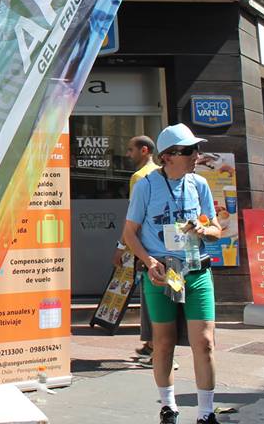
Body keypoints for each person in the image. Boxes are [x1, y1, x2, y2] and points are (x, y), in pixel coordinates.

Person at [122, 123, 222, 424]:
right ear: (168, 156)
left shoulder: (199, 184)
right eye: (190, 150)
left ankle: (206, 413)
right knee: (163, 342)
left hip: (196, 270)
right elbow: (130, 233)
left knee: (204, 342)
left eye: (196, 149)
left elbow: (217, 229)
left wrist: (203, 229)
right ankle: (168, 406)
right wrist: (149, 262)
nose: (196, 155)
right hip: (162, 273)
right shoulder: (146, 186)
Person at [112, 136, 160, 365]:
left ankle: (157, 349)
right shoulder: (160, 174)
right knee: (154, 296)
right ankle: (152, 345)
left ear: (144, 150)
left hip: (142, 247)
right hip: (157, 245)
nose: (128, 154)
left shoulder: (139, 177)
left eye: (131, 150)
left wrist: (121, 247)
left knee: (151, 297)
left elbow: (134, 218)